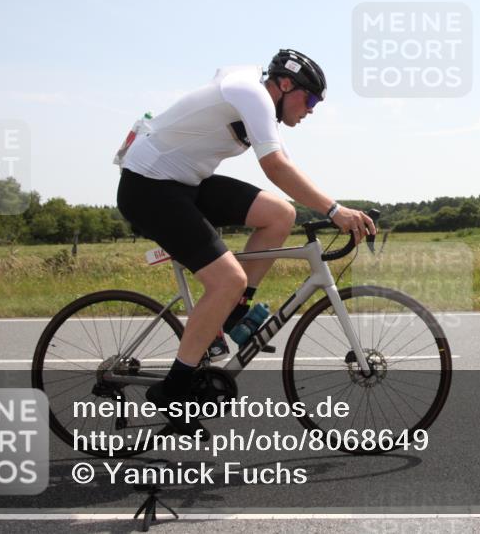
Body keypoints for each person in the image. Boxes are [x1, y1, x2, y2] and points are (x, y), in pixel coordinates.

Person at [116, 49, 376, 434]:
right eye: (311, 99)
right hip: (149, 186)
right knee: (227, 279)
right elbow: (274, 167)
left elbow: (285, 165)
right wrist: (333, 210)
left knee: (280, 215)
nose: (313, 109)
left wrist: (328, 206)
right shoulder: (253, 94)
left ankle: (235, 311)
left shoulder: (261, 101)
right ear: (285, 85)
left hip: (186, 181)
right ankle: (173, 390)